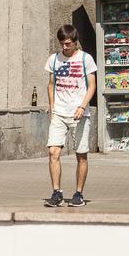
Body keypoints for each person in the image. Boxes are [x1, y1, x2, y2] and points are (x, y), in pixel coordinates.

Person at [43, 24, 97, 208]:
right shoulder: (54, 59)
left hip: (78, 113)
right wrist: (52, 106)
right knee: (53, 152)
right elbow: (51, 84)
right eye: (62, 44)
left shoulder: (85, 59)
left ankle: (78, 193)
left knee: (81, 155)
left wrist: (82, 106)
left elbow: (92, 86)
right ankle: (56, 192)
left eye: (68, 44)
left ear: (75, 42)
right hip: (59, 112)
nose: (64, 47)